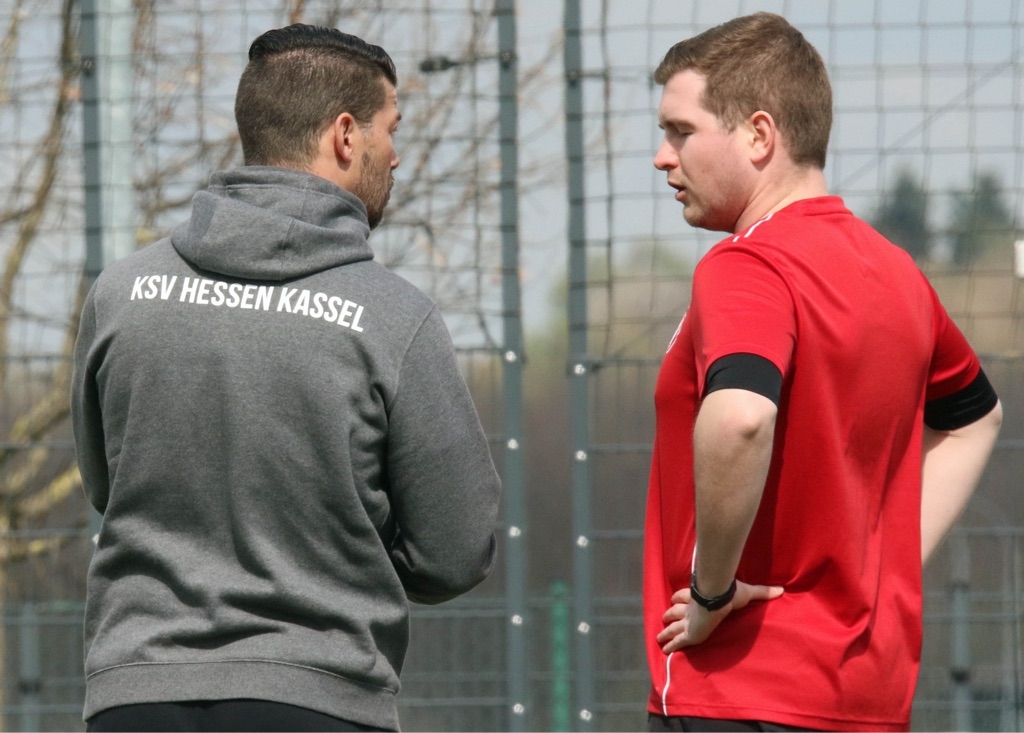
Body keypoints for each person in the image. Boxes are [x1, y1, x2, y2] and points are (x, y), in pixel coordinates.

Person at [71, 24, 501, 732]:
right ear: (345, 136)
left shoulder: (122, 294)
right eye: (391, 129)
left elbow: (106, 484)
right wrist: (346, 541)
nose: (396, 154)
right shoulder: (392, 316)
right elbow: (455, 552)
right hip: (319, 696)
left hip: (134, 694)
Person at [643, 12, 1002, 732]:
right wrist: (881, 562)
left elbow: (742, 417)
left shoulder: (748, 265)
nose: (662, 157)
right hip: (866, 698)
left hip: (738, 689)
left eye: (681, 132)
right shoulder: (897, 273)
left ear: (759, 135)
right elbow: (976, 419)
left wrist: (711, 594)